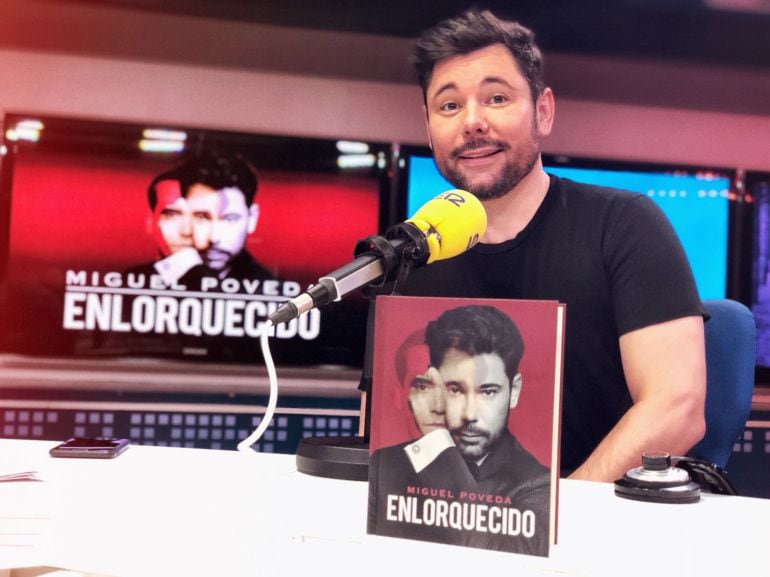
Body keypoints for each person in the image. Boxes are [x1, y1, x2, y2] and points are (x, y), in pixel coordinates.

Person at [397, 9, 707, 482]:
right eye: (450, 106)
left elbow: (677, 407)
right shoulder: (411, 252)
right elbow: (383, 426)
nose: (473, 122)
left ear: (543, 110)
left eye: (496, 97)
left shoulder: (624, 225)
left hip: (600, 524)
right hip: (446, 528)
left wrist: (555, 517)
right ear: (428, 123)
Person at [368, 305, 550, 556]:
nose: (469, 414)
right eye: (455, 390)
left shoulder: (538, 484)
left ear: (514, 390)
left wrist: (435, 441)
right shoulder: (386, 464)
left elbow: (497, 562)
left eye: (488, 392)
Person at [173, 150, 274, 285]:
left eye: (230, 219)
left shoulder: (281, 294)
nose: (214, 238)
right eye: (202, 217)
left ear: (252, 218)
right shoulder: (146, 280)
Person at [126, 171, 202, 286]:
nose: (186, 231)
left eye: (201, 217)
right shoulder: (128, 282)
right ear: (150, 222)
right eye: (172, 215)